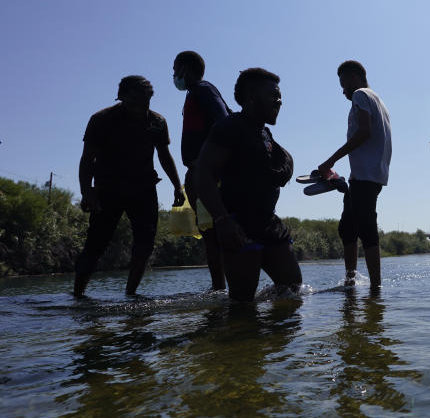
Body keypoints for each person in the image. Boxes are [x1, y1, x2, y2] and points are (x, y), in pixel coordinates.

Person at [193, 67, 302, 302]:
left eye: (280, 95)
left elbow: (279, 164)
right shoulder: (229, 127)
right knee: (243, 305)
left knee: (292, 292)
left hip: (268, 222)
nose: (279, 101)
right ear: (252, 96)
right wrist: (222, 221)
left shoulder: (264, 133)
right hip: (238, 225)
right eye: (273, 95)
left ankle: (269, 340)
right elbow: (202, 175)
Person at [74, 76, 185, 297]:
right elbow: (87, 159)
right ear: (122, 97)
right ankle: (77, 295)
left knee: (145, 244)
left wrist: (177, 186)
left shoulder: (157, 122)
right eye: (134, 102)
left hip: (143, 190)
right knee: (95, 245)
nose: (141, 108)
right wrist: (87, 193)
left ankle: (130, 295)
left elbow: (164, 155)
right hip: (108, 190)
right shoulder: (102, 119)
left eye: (146, 101)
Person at [315, 60, 392, 288]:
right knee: (347, 228)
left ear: (353, 77)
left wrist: (331, 160)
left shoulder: (360, 94)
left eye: (343, 84)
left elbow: (364, 132)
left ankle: (375, 289)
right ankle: (350, 281)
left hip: (367, 176)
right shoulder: (377, 99)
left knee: (366, 226)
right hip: (367, 175)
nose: (343, 91)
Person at [173, 50, 231, 291]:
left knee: (214, 232)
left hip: (207, 172)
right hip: (199, 171)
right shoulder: (194, 94)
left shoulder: (203, 90)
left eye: (176, 69)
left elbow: (222, 122)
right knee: (209, 232)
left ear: (186, 68)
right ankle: (219, 287)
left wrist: (208, 165)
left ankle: (221, 289)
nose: (174, 75)